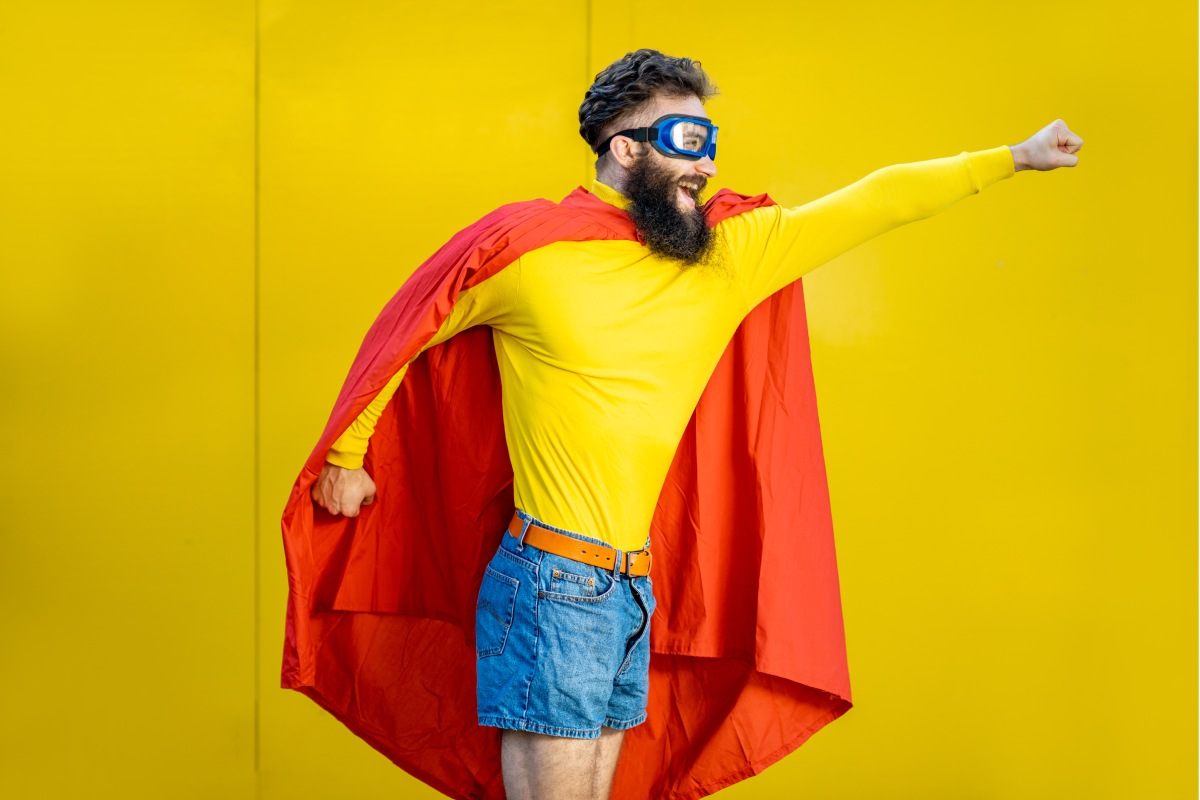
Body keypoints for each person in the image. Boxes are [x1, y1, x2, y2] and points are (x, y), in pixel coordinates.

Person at [286, 49, 1083, 800]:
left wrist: (1013, 156)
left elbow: (874, 201)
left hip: (631, 586)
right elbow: (408, 330)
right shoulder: (529, 253)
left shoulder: (731, 256)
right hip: (549, 581)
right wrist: (347, 455)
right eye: (684, 138)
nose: (706, 163)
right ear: (624, 149)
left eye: (710, 142)